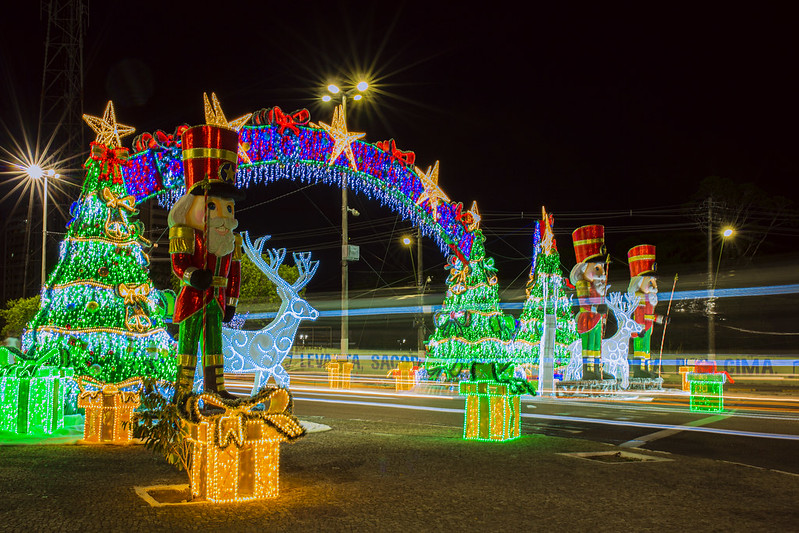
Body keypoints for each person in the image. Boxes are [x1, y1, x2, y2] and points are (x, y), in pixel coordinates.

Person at [168, 122, 244, 399]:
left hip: (217, 301)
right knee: (187, 345)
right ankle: (183, 391)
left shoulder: (231, 241)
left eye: (229, 207)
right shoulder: (186, 233)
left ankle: (216, 389)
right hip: (192, 297)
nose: (223, 214)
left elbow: (234, 276)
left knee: (215, 345)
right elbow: (179, 264)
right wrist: (192, 275)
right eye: (212, 205)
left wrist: (232, 303)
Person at [570, 225, 609, 380]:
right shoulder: (582, 284)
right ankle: (588, 370)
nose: (603, 273)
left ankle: (598, 368)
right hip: (587, 318)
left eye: (603, 268)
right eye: (598, 268)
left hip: (597, 318)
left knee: (597, 344)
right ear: (584, 268)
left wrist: (603, 313)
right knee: (588, 345)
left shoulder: (598, 286)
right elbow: (584, 303)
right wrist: (596, 308)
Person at [627, 245, 666, 378]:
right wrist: (641, 327)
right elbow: (639, 315)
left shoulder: (650, 298)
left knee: (646, 349)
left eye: (654, 281)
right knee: (640, 347)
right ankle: (639, 370)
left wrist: (659, 319)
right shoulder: (639, 297)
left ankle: (646, 368)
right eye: (649, 281)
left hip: (648, 326)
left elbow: (650, 314)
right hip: (641, 327)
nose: (653, 285)